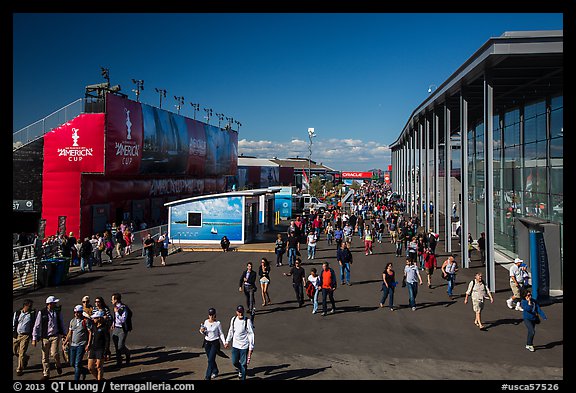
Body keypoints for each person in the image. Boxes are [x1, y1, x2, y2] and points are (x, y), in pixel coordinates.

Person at [32, 295, 66, 380]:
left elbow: (61, 322)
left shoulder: (57, 312)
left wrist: (64, 334)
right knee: (45, 356)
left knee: (54, 353)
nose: (55, 304)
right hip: (45, 337)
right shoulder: (42, 312)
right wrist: (34, 338)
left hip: (55, 335)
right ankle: (46, 373)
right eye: (54, 303)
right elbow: (37, 325)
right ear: (49, 304)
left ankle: (58, 364)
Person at [224, 305, 255, 380]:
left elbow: (251, 334)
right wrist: (227, 341)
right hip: (235, 345)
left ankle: (243, 377)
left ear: (243, 312)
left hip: (244, 346)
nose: (240, 313)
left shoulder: (247, 321)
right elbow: (231, 331)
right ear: (236, 312)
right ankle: (240, 369)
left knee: (243, 364)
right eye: (239, 312)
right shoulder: (233, 319)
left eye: (241, 312)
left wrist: (251, 348)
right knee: (234, 362)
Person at [62, 305, 92, 380]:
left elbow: (90, 332)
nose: (76, 314)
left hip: (81, 344)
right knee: (72, 363)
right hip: (73, 344)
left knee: (77, 363)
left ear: (81, 312)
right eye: (75, 312)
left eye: (78, 312)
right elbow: (70, 332)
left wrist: (88, 344)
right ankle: (84, 371)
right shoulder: (72, 321)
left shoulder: (85, 321)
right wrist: (65, 341)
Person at [200, 308, 226, 380]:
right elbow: (204, 332)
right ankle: (215, 370)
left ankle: (207, 377)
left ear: (215, 315)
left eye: (212, 315)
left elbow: (221, 333)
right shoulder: (206, 322)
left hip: (215, 343)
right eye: (210, 315)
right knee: (210, 359)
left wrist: (224, 342)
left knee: (210, 360)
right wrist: (202, 331)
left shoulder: (217, 323)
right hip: (207, 343)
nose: (211, 316)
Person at [13, 299, 35, 376]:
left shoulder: (31, 314)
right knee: (14, 350)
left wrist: (33, 336)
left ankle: (20, 369)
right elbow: (14, 322)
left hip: (26, 335)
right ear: (25, 306)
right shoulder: (18, 313)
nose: (31, 307)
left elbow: (34, 325)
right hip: (17, 335)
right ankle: (25, 358)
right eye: (30, 306)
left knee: (22, 352)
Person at [87, 310, 110, 381]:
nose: (93, 319)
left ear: (99, 318)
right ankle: (99, 378)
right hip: (93, 348)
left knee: (99, 367)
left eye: (95, 318)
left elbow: (107, 340)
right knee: (90, 368)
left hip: (101, 349)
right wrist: (89, 344)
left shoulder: (104, 328)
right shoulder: (94, 326)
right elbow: (91, 334)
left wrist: (106, 351)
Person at [111, 293, 131, 368]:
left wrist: (117, 312)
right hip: (116, 328)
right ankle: (119, 362)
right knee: (116, 346)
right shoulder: (115, 307)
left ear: (116, 300)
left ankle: (127, 353)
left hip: (122, 329)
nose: (111, 301)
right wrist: (113, 323)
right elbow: (115, 317)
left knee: (120, 346)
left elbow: (123, 320)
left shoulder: (123, 308)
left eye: (112, 299)